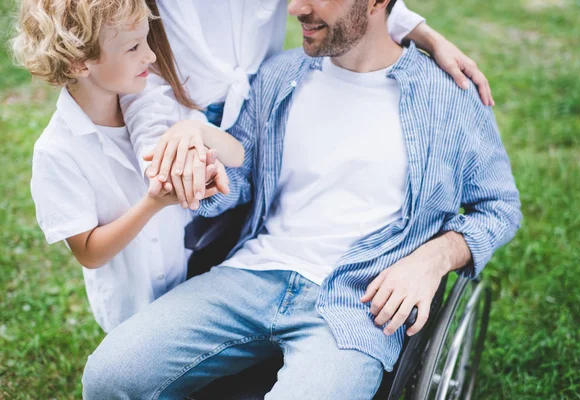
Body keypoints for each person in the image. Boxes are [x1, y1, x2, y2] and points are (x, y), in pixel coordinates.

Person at [82, 0, 522, 398]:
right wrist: (199, 167)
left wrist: (436, 257)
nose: (295, 8)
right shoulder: (280, 75)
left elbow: (499, 207)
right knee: (109, 378)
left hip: (355, 304)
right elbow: (240, 175)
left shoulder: (448, 96)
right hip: (251, 275)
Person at [124, 0, 495, 212]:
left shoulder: (443, 95)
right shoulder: (280, 79)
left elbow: (351, 8)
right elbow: (132, 60)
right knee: (161, 273)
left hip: (255, 95)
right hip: (178, 110)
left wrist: (426, 35)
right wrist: (159, 147)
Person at [12, 0, 244, 332]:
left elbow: (236, 156)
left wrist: (196, 130)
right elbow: (90, 253)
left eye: (146, 40)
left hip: (187, 287)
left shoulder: (156, 104)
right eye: (134, 47)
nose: (150, 55)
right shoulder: (57, 152)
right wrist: (153, 204)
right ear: (80, 63)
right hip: (129, 313)